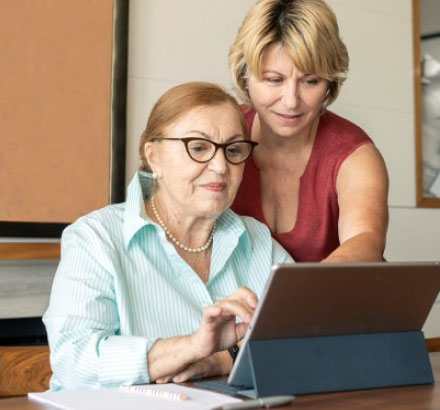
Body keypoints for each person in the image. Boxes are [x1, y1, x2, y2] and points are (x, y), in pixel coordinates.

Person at [43, 82, 292, 390]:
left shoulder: (258, 242)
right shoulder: (95, 239)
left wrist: (222, 359)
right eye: (198, 147)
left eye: (233, 150)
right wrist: (191, 347)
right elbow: (73, 361)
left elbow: (307, 339)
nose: (220, 166)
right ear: (154, 157)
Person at [229, 0, 389, 263]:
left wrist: (293, 297)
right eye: (274, 80)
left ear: (330, 84)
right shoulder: (222, 136)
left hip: (329, 302)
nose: (291, 101)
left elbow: (366, 241)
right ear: (245, 77)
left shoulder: (355, 156)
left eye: (310, 81)